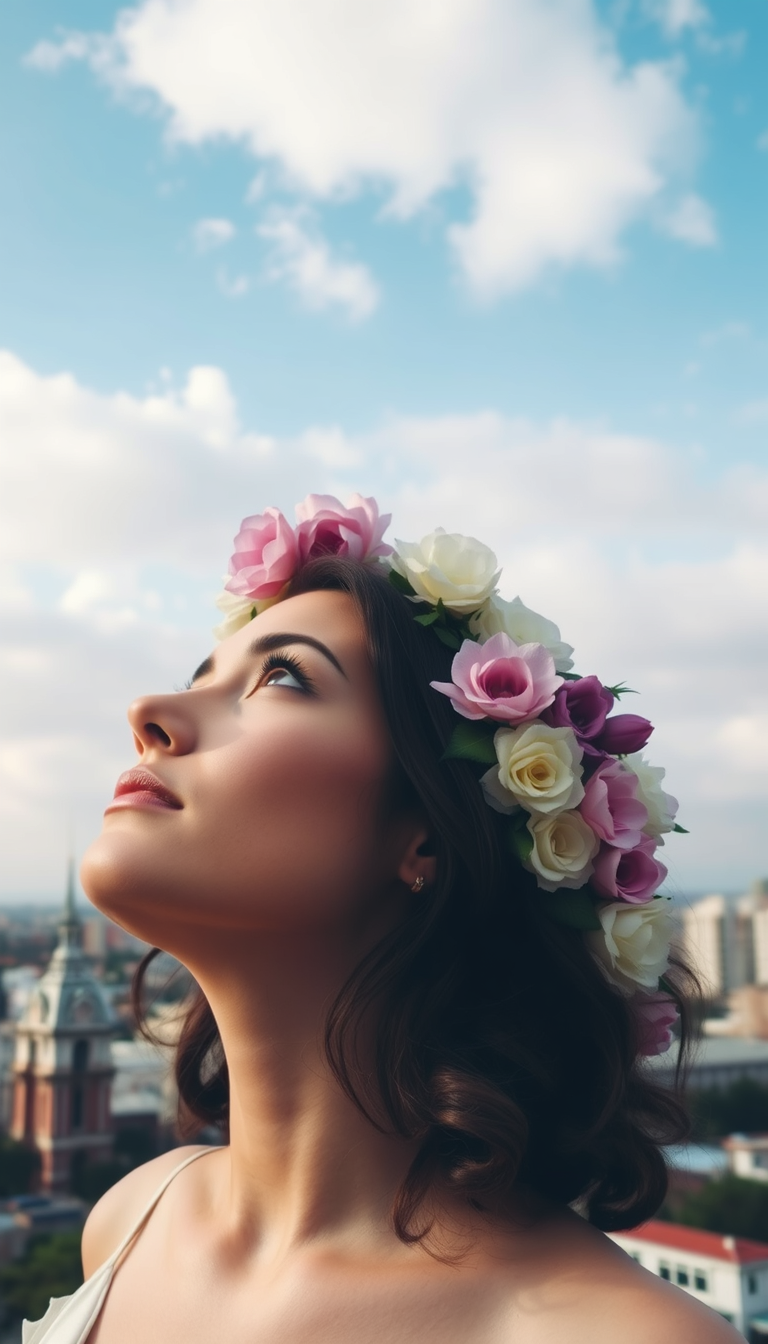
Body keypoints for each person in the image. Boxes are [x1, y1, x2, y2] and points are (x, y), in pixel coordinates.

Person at [25, 495, 740, 1343]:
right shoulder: (134, 1218)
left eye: (282, 676)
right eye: (200, 679)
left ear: (428, 838)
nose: (150, 714)